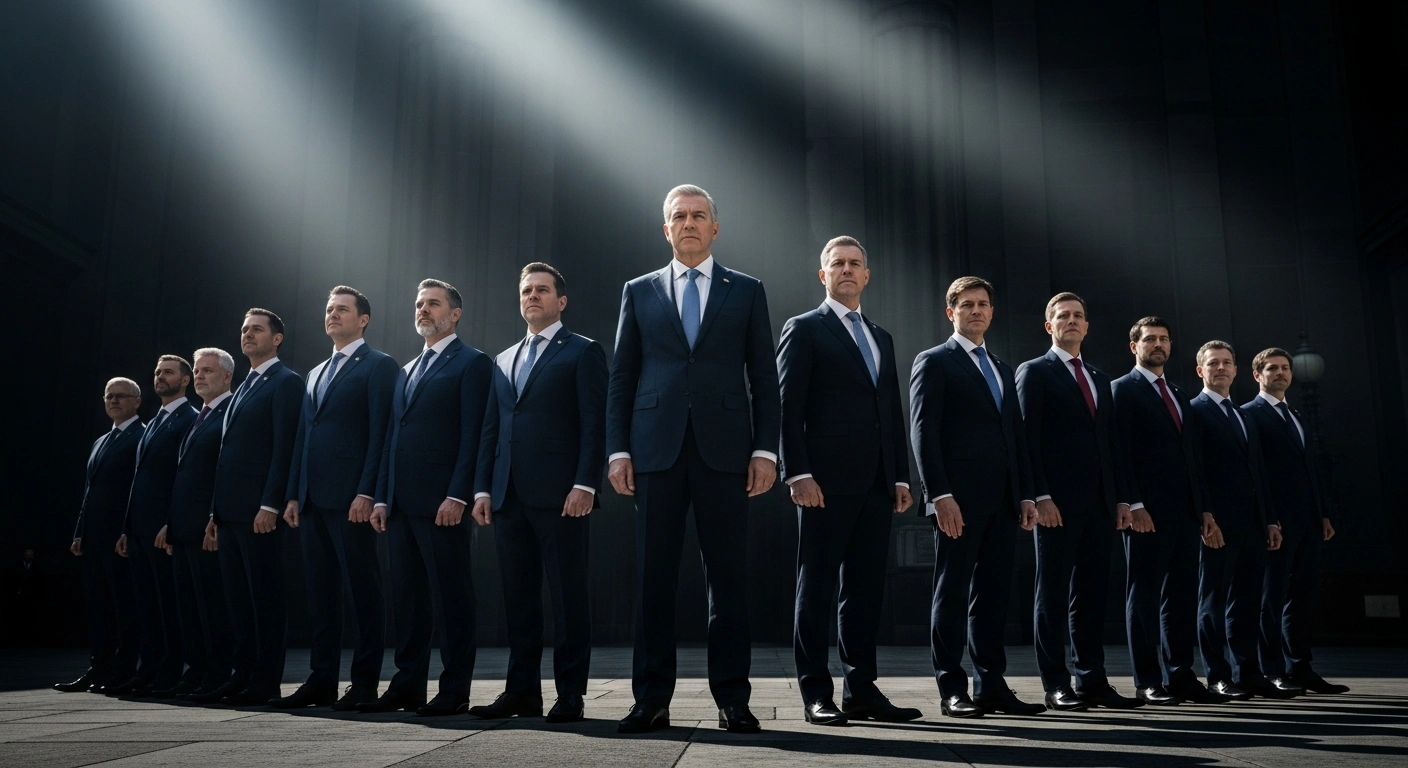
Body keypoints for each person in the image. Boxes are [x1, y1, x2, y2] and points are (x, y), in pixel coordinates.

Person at [606, 184, 780, 734]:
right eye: (678, 216)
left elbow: (765, 377)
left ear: (714, 227)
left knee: (727, 580)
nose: (688, 223)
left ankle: (733, 699)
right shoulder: (638, 291)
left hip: (726, 452)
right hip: (653, 450)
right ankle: (650, 699)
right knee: (652, 580)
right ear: (666, 229)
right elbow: (622, 377)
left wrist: (765, 449)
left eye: (698, 215)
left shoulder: (746, 290)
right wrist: (617, 449)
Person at [777, 236, 918, 726]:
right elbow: (787, 408)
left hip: (876, 483)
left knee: (864, 591)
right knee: (816, 589)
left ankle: (861, 691)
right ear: (823, 275)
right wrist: (797, 473)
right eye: (837, 263)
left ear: (867, 275)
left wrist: (900, 476)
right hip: (822, 483)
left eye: (855, 263)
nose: (847, 270)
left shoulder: (881, 337)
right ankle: (816, 692)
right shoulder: (803, 328)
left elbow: (891, 412)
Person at [469, 262, 607, 724]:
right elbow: (491, 430)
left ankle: (570, 694)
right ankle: (522, 692)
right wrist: (483, 488)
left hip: (563, 496)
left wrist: (585, 484)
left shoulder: (583, 351)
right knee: (518, 599)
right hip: (508, 496)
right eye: (526, 290)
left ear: (561, 301)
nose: (532, 296)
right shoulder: (503, 359)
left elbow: (594, 424)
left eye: (542, 290)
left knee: (568, 599)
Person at [910, 276, 1041, 719]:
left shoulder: (1003, 368)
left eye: (983, 304)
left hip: (1004, 501)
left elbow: (1016, 438)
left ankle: (991, 686)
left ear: (992, 312)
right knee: (951, 594)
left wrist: (1025, 495)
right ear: (951, 312)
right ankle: (952, 688)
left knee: (993, 596)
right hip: (958, 503)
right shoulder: (934, 361)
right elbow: (924, 433)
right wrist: (939, 495)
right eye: (967, 304)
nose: (976, 311)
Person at [361, 279, 493, 717]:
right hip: (400, 504)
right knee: (408, 599)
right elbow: (390, 439)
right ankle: (407, 685)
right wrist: (382, 498)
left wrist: (458, 494)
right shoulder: (405, 370)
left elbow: (474, 435)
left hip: (443, 505)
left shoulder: (473, 363)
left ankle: (454, 689)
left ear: (454, 314)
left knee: (452, 598)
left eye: (433, 304)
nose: (423, 310)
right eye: (419, 304)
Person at [1014, 293, 1142, 711]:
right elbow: (1027, 440)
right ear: (1049, 326)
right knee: (1051, 595)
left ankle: (1092, 681)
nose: (1071, 321)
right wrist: (1041, 495)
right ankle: (1056, 684)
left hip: (1101, 505)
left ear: (1086, 326)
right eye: (1063, 316)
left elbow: (1111, 443)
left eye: (1078, 316)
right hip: (1056, 505)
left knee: (1091, 595)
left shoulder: (1100, 378)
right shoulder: (1034, 372)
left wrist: (1122, 499)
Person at [272, 286, 397, 711]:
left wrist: (367, 491)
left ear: (363, 319)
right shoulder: (314, 373)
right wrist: (294, 494)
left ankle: (364, 683)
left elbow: (381, 433)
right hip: (311, 501)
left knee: (362, 592)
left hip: (351, 499)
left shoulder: (379, 365)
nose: (333, 315)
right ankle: (321, 680)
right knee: (321, 594)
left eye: (342, 309)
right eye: (329, 309)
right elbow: (303, 439)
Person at [1111, 316, 1222, 705]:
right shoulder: (1121, 390)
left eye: (1164, 339)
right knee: (1143, 596)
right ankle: (1148, 680)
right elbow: (1119, 453)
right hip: (1146, 514)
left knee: (1181, 595)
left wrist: (1204, 509)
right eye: (1150, 339)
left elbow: (1192, 457)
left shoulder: (1177, 392)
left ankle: (1181, 676)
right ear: (1134, 346)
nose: (1158, 344)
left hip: (1186, 513)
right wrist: (1134, 503)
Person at [204, 309, 303, 706]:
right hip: (229, 512)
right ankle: (242, 674)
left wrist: (270, 503)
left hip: (260, 512)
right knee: (239, 601)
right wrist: (215, 512)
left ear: (276, 338)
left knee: (265, 600)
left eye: (257, 329)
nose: (247, 334)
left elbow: (284, 446)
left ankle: (264, 681)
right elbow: (227, 453)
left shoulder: (286, 382)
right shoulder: (245, 384)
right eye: (244, 329)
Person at [1243, 348, 1349, 695]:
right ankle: (1272, 670)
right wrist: (1268, 519)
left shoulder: (1297, 415)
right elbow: (1256, 474)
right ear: (1257, 375)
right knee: (1270, 598)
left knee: (1301, 597)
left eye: (1285, 368)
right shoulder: (1249, 415)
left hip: (1309, 522)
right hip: (1275, 524)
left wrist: (1323, 513)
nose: (1280, 373)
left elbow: (1310, 470)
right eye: (1272, 368)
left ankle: (1300, 668)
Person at [1189, 341, 1289, 701]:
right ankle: (1217, 676)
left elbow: (1258, 473)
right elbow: (1195, 470)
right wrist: (1206, 516)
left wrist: (1270, 520)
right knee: (1213, 601)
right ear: (1200, 371)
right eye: (1213, 363)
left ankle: (1247, 672)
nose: (1221, 368)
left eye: (1227, 363)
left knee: (1247, 601)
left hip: (1253, 524)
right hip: (1217, 524)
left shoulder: (1244, 415)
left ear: (1235, 370)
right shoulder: (1194, 411)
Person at [114, 356, 198, 697]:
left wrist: (170, 522)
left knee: (168, 607)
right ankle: (148, 670)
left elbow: (183, 478)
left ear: (185, 380)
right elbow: (139, 480)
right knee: (146, 607)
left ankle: (169, 672)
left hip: (163, 532)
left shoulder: (190, 419)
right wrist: (127, 527)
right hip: (138, 530)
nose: (160, 377)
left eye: (168, 372)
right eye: (157, 372)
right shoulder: (152, 423)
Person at [55, 378, 145, 694]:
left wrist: (127, 530)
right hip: (93, 538)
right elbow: (89, 491)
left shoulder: (142, 436)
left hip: (120, 539)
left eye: (121, 396)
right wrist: (80, 532)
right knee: (98, 608)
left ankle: (122, 670)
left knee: (124, 608)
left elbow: (138, 489)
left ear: (137, 401)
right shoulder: (100, 442)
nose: (114, 401)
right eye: (109, 396)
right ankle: (99, 667)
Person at [169, 349, 237, 703]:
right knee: (189, 607)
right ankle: (195, 670)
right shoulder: (200, 417)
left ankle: (216, 672)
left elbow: (225, 469)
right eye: (196, 371)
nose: (199, 376)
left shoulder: (230, 412)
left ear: (226, 376)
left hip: (208, 526)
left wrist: (215, 515)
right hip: (183, 526)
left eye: (207, 371)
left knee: (213, 605)